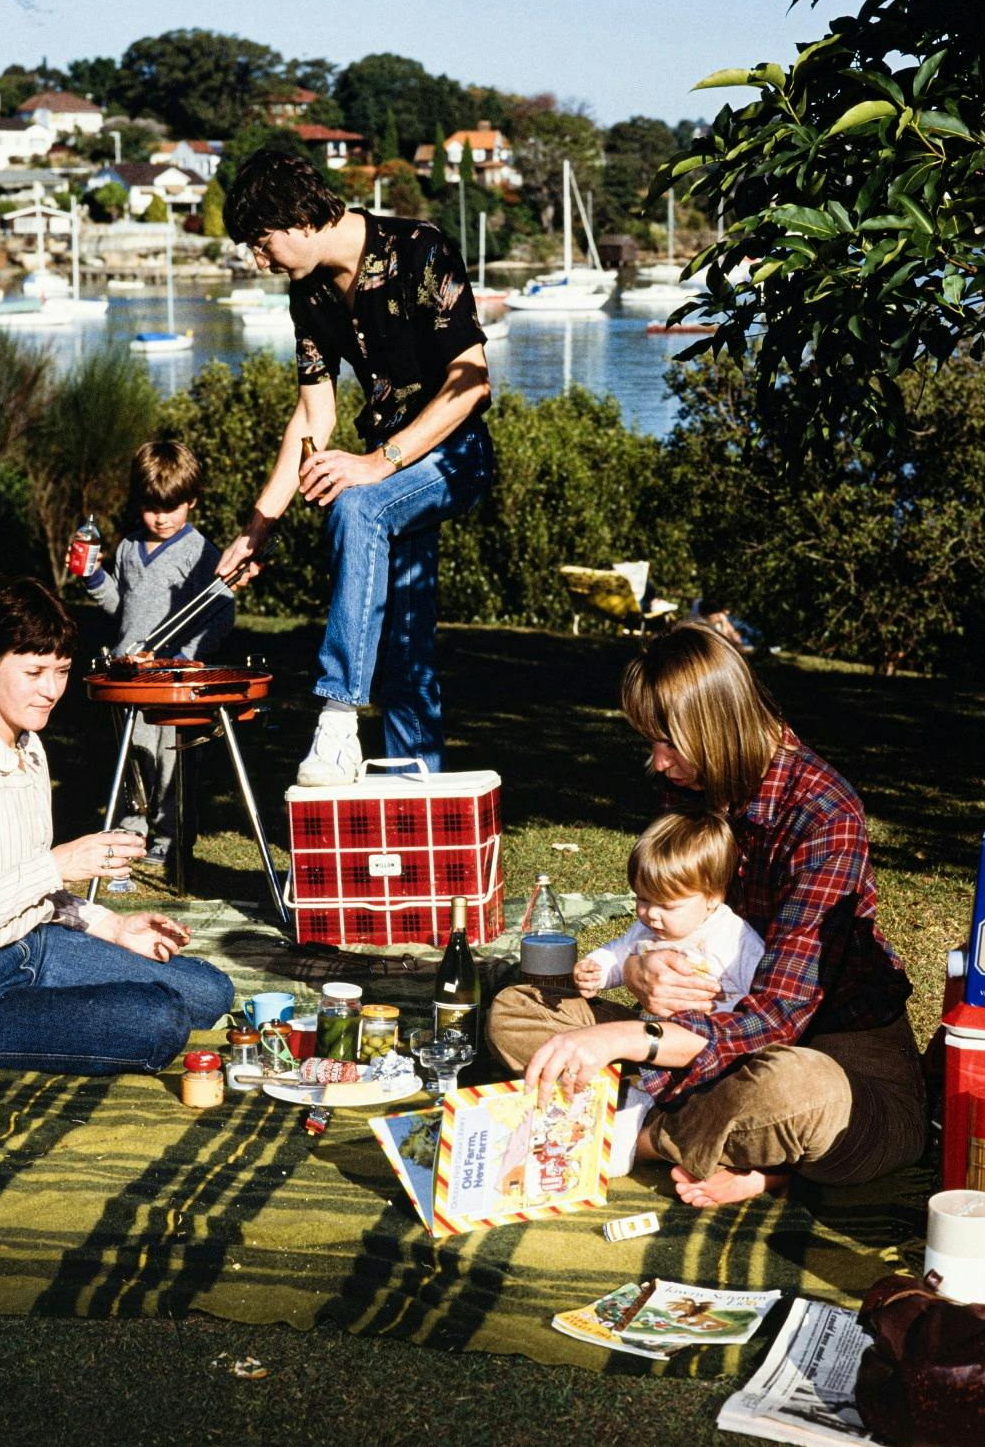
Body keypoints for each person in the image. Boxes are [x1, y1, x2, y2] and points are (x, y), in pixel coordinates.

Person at [487, 623, 926, 1207]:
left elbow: (775, 1020)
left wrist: (629, 1037)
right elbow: (671, 919)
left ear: (716, 725)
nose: (657, 763)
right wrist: (640, 971)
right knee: (515, 1010)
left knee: (796, 1093)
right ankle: (734, 1145)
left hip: (826, 1045)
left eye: (667, 743)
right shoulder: (696, 786)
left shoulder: (826, 815)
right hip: (697, 1038)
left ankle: (641, 1138)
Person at [0, 572, 234, 1073]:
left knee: (210, 991)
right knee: (159, 1020)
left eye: (60, 671)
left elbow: (20, 889)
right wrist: (56, 865)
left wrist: (112, 926)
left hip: (25, 944)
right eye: (34, 671)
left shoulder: (26, 744)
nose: (51, 691)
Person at [216, 150, 495, 782]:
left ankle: (337, 719)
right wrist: (259, 526)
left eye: (262, 244)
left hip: (453, 458)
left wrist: (378, 461)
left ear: (301, 220)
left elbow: (473, 381)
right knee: (406, 648)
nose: (259, 261)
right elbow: (314, 415)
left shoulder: (420, 248)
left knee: (356, 503)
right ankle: (415, 804)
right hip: (387, 470)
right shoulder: (308, 294)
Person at [571, 811, 765, 1164]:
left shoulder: (732, 938)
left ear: (712, 897)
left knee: (723, 1099)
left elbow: (763, 995)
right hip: (649, 1048)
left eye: (667, 905)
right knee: (629, 1099)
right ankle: (617, 1134)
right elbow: (620, 950)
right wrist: (597, 969)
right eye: (643, 900)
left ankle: (646, 1141)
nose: (651, 915)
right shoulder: (648, 930)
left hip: (706, 1056)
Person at [80, 439, 234, 860]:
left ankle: (171, 838)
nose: (161, 518)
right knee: (133, 756)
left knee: (171, 762)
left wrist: (185, 657)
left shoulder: (199, 551)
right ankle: (132, 833)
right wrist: (94, 580)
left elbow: (221, 612)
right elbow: (122, 609)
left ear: (192, 500)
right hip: (129, 673)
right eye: (151, 508)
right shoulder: (129, 548)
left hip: (173, 679)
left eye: (171, 507)